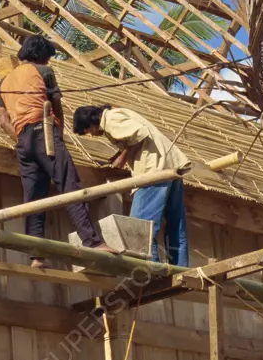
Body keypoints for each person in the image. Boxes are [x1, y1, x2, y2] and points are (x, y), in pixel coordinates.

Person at [0, 35, 117, 268]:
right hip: (44, 131)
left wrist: (21, 139)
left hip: (22, 140)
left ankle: (36, 255)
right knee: (69, 186)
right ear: (41, 55)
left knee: (33, 198)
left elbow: (3, 120)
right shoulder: (43, 71)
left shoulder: (3, 82)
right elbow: (56, 107)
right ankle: (92, 242)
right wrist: (56, 136)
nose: (48, 60)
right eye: (48, 56)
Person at [72, 104, 190, 267]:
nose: (93, 135)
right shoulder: (117, 114)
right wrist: (119, 154)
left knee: (140, 225)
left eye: (89, 132)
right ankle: (181, 268)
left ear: (91, 123)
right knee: (175, 221)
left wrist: (123, 158)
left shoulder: (111, 120)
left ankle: (151, 270)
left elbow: (140, 133)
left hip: (153, 171)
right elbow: (135, 137)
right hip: (170, 165)